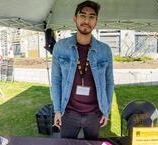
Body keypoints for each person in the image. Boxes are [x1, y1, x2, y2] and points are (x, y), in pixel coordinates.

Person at [51, 0, 114, 140]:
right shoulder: (60, 47)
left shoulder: (105, 50)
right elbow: (56, 80)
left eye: (91, 17)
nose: (86, 20)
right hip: (68, 113)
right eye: (82, 15)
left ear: (96, 21)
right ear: (75, 18)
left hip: (94, 114)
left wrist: (106, 110)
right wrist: (57, 110)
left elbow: (109, 83)